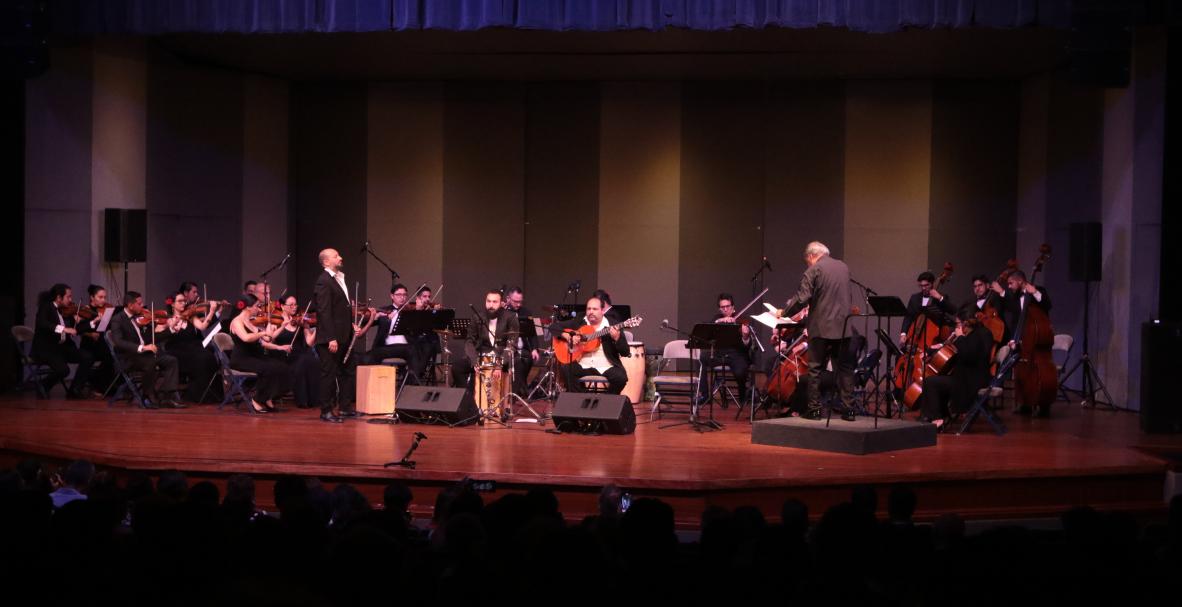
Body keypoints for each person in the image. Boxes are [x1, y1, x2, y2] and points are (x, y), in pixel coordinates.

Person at [780, 241, 857, 421]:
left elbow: (802, 298)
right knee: (845, 369)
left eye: (807, 261)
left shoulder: (814, 270)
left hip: (821, 327)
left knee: (815, 369)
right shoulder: (843, 267)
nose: (808, 264)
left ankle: (814, 410)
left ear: (811, 256)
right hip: (843, 327)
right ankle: (849, 410)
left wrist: (784, 313)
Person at [917, 306, 994, 431]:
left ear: (965, 323)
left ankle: (937, 419)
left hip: (972, 381)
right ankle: (936, 416)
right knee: (934, 379)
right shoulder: (971, 335)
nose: (956, 327)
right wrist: (933, 352)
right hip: (965, 377)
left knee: (931, 382)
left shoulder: (982, 334)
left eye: (958, 324)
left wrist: (960, 338)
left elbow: (969, 356)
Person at [108, 291, 181, 408]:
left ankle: (167, 396)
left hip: (145, 354)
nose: (142, 306)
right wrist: (142, 347)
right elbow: (118, 341)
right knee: (151, 362)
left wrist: (171, 330)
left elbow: (150, 337)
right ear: (130, 305)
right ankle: (147, 395)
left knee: (171, 360)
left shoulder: (140, 318)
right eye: (139, 304)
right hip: (129, 357)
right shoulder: (118, 319)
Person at [313, 248, 359, 423]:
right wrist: (330, 337)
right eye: (336, 256)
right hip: (331, 338)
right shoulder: (323, 281)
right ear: (326, 262)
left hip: (344, 335)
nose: (340, 257)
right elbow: (324, 312)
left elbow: (340, 310)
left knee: (347, 371)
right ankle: (326, 411)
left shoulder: (338, 278)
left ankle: (345, 407)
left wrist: (350, 325)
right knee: (329, 374)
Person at [552, 296, 630, 395]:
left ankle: (605, 400)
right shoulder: (579, 321)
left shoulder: (613, 325)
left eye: (595, 309)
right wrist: (567, 336)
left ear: (602, 311)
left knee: (621, 378)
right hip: (583, 364)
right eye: (588, 309)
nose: (591, 312)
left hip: (606, 366)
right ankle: (580, 399)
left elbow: (625, 352)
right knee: (566, 368)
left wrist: (617, 338)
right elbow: (553, 327)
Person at [31, 283, 96, 398]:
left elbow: (75, 329)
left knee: (88, 357)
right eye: (68, 297)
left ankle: (74, 390)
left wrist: (92, 323)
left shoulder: (64, 310)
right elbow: (43, 323)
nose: (71, 300)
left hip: (61, 348)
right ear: (59, 297)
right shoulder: (46, 307)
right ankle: (43, 385)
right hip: (47, 349)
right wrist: (64, 329)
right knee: (64, 370)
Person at [228, 294, 290, 414]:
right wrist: (262, 333)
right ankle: (257, 399)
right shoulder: (236, 321)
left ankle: (268, 397)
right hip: (241, 359)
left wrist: (281, 332)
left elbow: (266, 340)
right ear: (248, 307)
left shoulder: (250, 322)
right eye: (257, 306)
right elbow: (246, 338)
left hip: (254, 356)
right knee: (268, 369)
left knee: (282, 367)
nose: (259, 309)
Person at [162, 292, 221, 403]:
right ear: (172, 304)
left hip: (193, 348)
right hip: (177, 350)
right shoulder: (168, 319)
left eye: (184, 301)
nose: (183, 303)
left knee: (209, 356)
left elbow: (202, 326)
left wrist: (212, 312)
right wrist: (174, 322)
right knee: (202, 358)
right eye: (180, 301)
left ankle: (211, 396)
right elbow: (162, 332)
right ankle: (196, 395)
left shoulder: (190, 316)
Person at [456, 289, 519, 391]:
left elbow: (512, 343)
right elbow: (469, 341)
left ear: (501, 303)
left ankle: (509, 397)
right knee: (457, 368)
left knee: (519, 363)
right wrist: (474, 360)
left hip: (501, 354)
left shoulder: (510, 317)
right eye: (488, 301)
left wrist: (499, 364)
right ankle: (469, 397)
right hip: (482, 355)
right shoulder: (477, 317)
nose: (491, 305)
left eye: (495, 302)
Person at [697, 293, 753, 404]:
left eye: (728, 306)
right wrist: (720, 321)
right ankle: (704, 395)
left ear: (733, 306)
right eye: (723, 307)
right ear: (720, 308)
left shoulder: (742, 319)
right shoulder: (717, 318)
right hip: (720, 354)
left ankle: (743, 395)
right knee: (701, 358)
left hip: (737, 355)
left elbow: (747, 345)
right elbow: (709, 331)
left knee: (740, 372)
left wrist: (745, 336)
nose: (726, 309)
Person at [367, 284, 426, 384]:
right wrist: (375, 317)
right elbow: (366, 323)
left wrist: (418, 311)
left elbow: (418, 329)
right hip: (385, 348)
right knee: (371, 355)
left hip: (405, 348)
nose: (402, 297)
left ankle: (411, 384)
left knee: (416, 348)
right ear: (392, 296)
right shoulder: (384, 310)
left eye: (404, 295)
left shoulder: (410, 312)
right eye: (399, 295)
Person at [269, 295, 320, 409]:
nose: (294, 307)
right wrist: (283, 326)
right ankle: (303, 400)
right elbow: (270, 339)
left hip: (300, 355)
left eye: (295, 304)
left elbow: (309, 342)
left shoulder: (300, 321)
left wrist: (317, 327)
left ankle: (314, 400)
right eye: (291, 305)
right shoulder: (276, 321)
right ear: (283, 306)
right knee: (303, 361)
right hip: (283, 356)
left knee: (313, 361)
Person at [990, 270, 1052, 345]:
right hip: (1022, 339)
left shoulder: (1039, 290)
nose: (1009, 286)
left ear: (1020, 281)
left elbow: (1047, 305)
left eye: (1011, 283)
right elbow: (1015, 322)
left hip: (1039, 337)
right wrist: (1013, 339)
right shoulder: (1016, 298)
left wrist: (1035, 292)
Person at [899, 271, 956, 346]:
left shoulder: (941, 296)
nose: (923, 288)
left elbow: (953, 311)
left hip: (933, 338)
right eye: (921, 285)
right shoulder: (914, 298)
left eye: (926, 285)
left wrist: (940, 298)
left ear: (932, 284)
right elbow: (908, 317)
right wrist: (903, 334)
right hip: (915, 336)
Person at [504, 286, 539, 395]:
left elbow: (533, 333)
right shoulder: (502, 312)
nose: (518, 304)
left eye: (520, 301)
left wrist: (534, 349)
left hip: (523, 349)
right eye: (515, 301)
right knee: (517, 362)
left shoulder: (526, 312)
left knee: (527, 359)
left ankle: (520, 390)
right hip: (507, 349)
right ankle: (521, 391)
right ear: (508, 299)